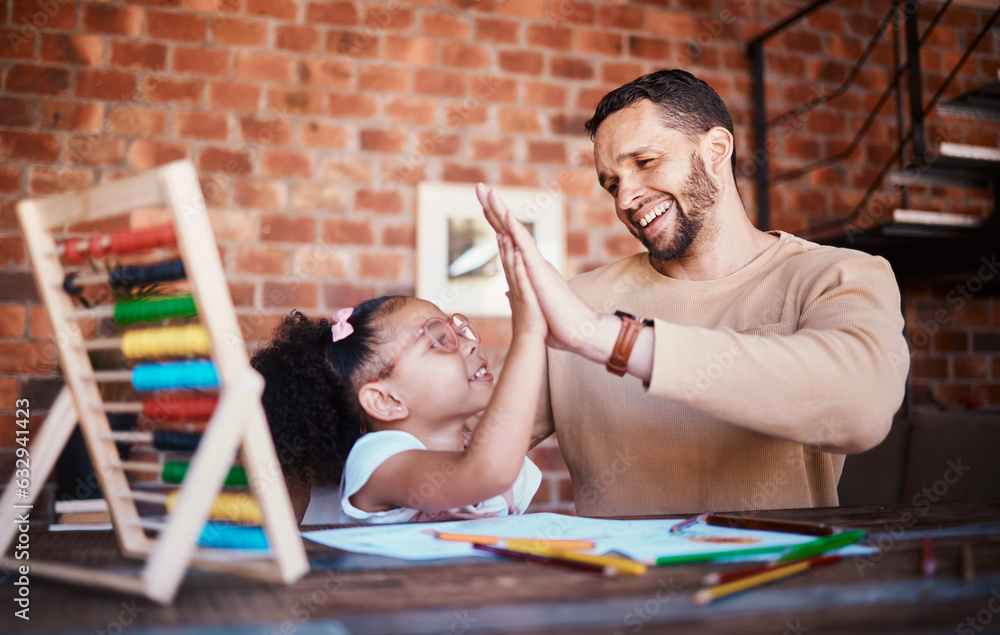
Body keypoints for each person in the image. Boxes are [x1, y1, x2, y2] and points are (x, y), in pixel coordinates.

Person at [476, 69, 910, 516]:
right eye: (611, 183)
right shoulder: (575, 301)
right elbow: (469, 447)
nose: (625, 198)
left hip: (775, 579)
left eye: (644, 163)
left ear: (716, 150)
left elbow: (864, 407)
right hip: (616, 582)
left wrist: (606, 337)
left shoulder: (834, 274)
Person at [250, 232, 546, 524]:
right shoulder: (376, 462)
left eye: (458, 330)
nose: (470, 344)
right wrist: (530, 332)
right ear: (385, 400)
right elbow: (485, 472)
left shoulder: (510, 468)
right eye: (438, 340)